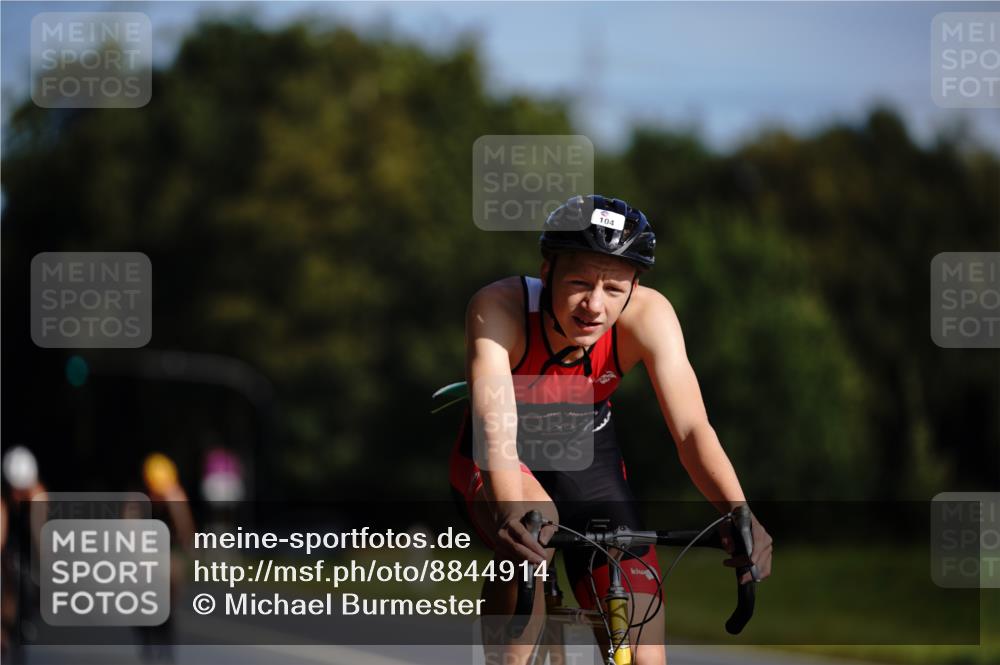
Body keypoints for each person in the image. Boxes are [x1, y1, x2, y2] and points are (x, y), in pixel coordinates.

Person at [448, 194, 774, 665]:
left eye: (614, 289)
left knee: (644, 653)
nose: (594, 305)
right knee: (532, 538)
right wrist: (512, 515)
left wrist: (739, 514)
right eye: (579, 282)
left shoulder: (650, 315)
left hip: (589, 452)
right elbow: (495, 434)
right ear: (547, 273)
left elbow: (691, 431)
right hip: (505, 451)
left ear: (635, 287)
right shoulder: (499, 308)